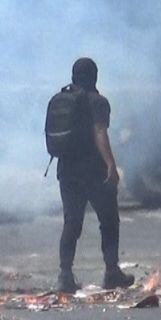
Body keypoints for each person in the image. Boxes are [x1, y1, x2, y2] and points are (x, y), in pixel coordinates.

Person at [54, 57, 135, 293]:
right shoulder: (98, 102)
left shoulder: (63, 100)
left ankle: (65, 275)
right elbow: (100, 132)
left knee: (72, 222)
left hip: (66, 171)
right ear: (94, 76)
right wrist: (110, 164)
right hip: (93, 170)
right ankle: (111, 272)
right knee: (109, 220)